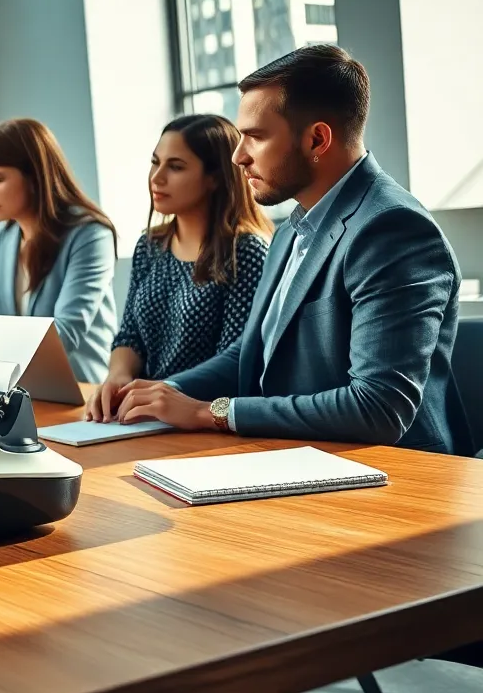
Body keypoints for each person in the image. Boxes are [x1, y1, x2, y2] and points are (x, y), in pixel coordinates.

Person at [113, 45, 472, 455]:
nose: (238, 156)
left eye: (256, 137)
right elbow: (252, 352)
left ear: (317, 138)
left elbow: (378, 407)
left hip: (395, 479)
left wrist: (211, 412)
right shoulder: (291, 228)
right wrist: (166, 391)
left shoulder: (392, 229)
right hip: (298, 457)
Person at [87, 114, 272, 421]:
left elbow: (234, 363)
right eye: (155, 162)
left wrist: (162, 393)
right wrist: (118, 376)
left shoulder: (246, 252)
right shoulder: (150, 245)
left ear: (215, 177)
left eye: (175, 166)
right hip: (142, 414)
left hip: (202, 420)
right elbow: (130, 334)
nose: (156, 177)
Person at [0, 118, 119, 383]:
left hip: (80, 393)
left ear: (35, 177)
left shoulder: (89, 234)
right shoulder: (1, 236)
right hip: (17, 389)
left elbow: (65, 334)